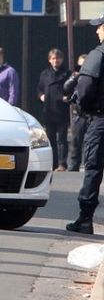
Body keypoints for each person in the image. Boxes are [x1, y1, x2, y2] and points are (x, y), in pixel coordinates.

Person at [66, 14, 104, 234]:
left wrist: (80, 104)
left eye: (99, 27)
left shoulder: (98, 55)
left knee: (93, 167)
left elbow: (85, 88)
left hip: (99, 120)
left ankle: (85, 218)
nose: (96, 31)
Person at [37, 48, 71, 171]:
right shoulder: (45, 74)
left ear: (62, 59)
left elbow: (72, 89)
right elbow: (40, 88)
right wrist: (41, 96)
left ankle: (62, 163)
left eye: (57, 58)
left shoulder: (67, 73)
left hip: (61, 110)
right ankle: (53, 163)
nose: (55, 60)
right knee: (50, 139)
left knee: (62, 139)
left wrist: (67, 97)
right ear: (49, 60)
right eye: (53, 58)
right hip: (49, 110)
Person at [64, 54, 88, 172]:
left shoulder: (93, 76)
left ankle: (90, 163)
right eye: (80, 65)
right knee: (76, 140)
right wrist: (74, 78)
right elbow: (66, 88)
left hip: (91, 113)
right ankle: (74, 164)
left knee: (91, 141)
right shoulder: (75, 76)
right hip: (78, 113)